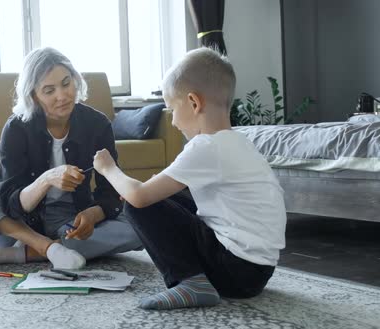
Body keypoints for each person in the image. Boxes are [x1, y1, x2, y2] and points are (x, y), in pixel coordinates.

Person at [92, 47, 286, 310]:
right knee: (164, 194)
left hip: (234, 269)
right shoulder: (238, 142)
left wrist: (108, 168)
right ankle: (197, 280)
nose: (172, 122)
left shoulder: (205, 147)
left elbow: (138, 196)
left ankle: (190, 282)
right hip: (257, 272)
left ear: (194, 103)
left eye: (172, 109)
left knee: (137, 204)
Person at [0, 47, 142, 270]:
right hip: (16, 225)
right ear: (33, 96)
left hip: (69, 222)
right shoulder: (16, 128)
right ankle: (46, 247)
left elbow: (110, 192)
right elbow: (11, 206)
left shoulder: (97, 124)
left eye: (66, 83)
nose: (62, 96)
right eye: (49, 90)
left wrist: (92, 215)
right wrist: (46, 179)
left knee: (144, 223)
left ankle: (24, 254)